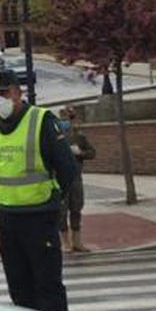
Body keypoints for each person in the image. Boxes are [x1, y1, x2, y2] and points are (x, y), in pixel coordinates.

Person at [0, 69, 78, 311]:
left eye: (4, 92)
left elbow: (67, 167)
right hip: (7, 218)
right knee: (19, 288)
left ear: (18, 92)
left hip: (39, 216)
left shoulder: (42, 120)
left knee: (47, 286)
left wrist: (54, 198)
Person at [56, 105, 96, 253]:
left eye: (70, 118)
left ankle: (77, 241)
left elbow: (92, 153)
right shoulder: (55, 136)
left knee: (76, 208)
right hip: (60, 178)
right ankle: (65, 242)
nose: (68, 121)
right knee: (61, 211)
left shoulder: (79, 136)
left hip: (76, 178)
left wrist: (80, 153)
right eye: (65, 118)